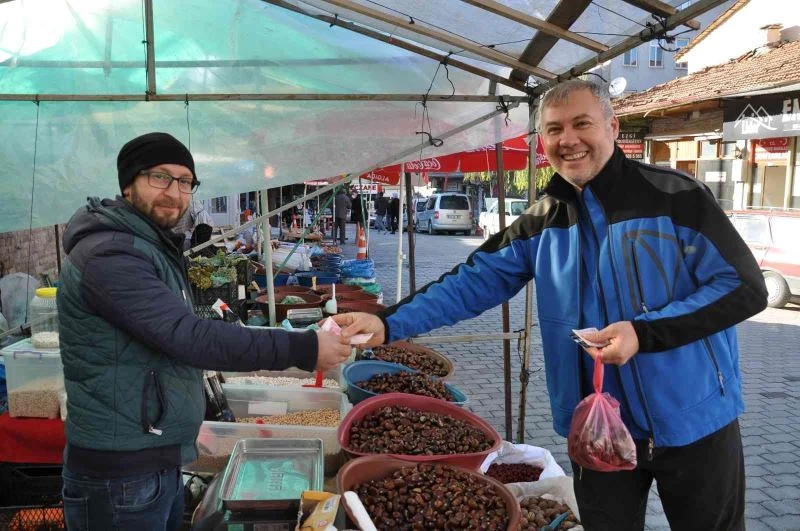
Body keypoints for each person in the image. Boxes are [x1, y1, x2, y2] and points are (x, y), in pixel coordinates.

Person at [332, 79, 767, 531]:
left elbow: (743, 287)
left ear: (613, 127)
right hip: (595, 428)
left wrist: (645, 333)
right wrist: (387, 323)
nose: (569, 140)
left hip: (695, 421)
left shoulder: (675, 197)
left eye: (582, 124)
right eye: (554, 129)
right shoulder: (543, 220)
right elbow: (474, 282)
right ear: (543, 141)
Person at [56, 132, 352, 530]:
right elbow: (188, 336)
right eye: (159, 177)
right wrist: (304, 347)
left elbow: (168, 344)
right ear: (128, 184)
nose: (174, 193)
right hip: (121, 474)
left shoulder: (150, 245)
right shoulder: (110, 254)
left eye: (184, 182)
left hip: (153, 457)